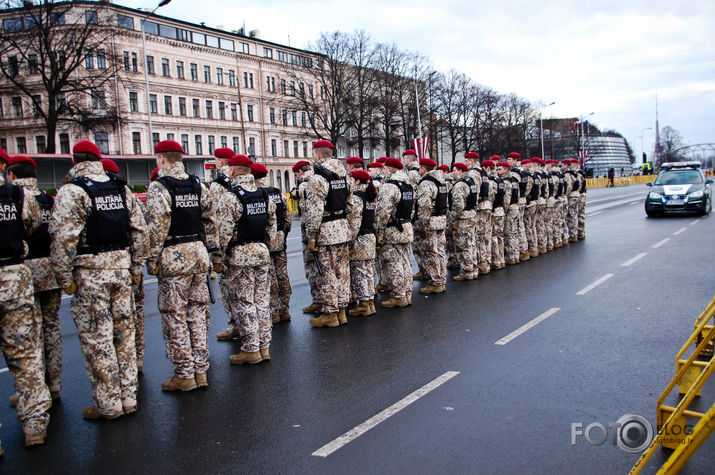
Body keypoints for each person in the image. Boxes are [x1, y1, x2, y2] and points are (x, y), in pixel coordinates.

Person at [50, 140, 147, 418]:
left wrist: (63, 276)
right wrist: (135, 268)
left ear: (74, 161)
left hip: (91, 272)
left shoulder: (73, 191)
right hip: (121, 269)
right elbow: (139, 231)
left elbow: (62, 238)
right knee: (124, 335)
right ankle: (129, 397)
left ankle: (109, 403)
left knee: (98, 337)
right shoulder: (120, 189)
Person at [145, 140, 218, 391]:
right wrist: (211, 253)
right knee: (197, 313)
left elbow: (157, 227)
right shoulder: (197, 184)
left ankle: (184, 374)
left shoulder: (159, 186)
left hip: (174, 256)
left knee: (175, 317)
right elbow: (210, 220)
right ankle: (201, 370)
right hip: (198, 254)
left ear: (162, 159)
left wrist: (151, 260)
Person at [1, 158, 51, 446]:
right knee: (25, 353)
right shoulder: (18, 196)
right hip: (14, 276)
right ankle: (34, 425)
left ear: (11, 172)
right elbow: (33, 224)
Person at [6, 156, 62, 402]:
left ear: (11, 175)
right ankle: (55, 383)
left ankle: (32, 389)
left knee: (28, 334)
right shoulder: (46, 198)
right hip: (49, 268)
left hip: (23, 272)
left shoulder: (14, 197)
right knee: (51, 326)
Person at [215, 155, 276, 364]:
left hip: (240, 255)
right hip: (261, 251)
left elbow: (223, 232)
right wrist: (265, 245)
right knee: (262, 301)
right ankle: (264, 346)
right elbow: (271, 225)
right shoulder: (263, 194)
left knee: (244, 302)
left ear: (232, 171)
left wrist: (219, 257)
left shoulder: (230, 197)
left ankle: (250, 349)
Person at [303, 140, 352, 327]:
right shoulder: (344, 175)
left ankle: (330, 313)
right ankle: (341, 311)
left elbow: (314, 211)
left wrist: (311, 236)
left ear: (317, 155)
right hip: (342, 226)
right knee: (342, 272)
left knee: (327, 272)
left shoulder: (318, 178)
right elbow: (349, 201)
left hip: (326, 229)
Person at [251, 163, 292, 324]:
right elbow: (287, 217)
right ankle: (285, 309)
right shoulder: (277, 193)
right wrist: (283, 234)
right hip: (280, 238)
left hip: (265, 240)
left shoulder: (258, 194)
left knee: (270, 278)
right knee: (283, 275)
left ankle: (274, 312)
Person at [211, 147, 242, 341]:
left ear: (222, 163)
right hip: (249, 240)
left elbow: (215, 218)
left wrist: (217, 253)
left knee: (229, 288)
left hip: (229, 243)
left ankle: (234, 326)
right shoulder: (246, 179)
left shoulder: (218, 185)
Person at [375, 157, 414, 308]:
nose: (383, 171)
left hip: (392, 229)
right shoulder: (408, 184)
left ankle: (398, 295)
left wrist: (379, 233)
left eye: (385, 168)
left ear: (390, 169)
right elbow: (412, 207)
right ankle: (407, 293)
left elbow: (383, 212)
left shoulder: (389, 186)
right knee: (406, 263)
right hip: (405, 226)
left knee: (394, 264)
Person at [293, 160, 323, 315]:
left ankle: (318, 300)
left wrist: (310, 235)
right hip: (326, 231)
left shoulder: (305, 185)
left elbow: (307, 212)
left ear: (299, 172)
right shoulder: (322, 178)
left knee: (313, 268)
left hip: (311, 232)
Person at [346, 169, 378, 316]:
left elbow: (354, 222)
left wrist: (349, 240)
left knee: (359, 273)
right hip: (371, 236)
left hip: (360, 239)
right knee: (369, 272)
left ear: (357, 181)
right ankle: (370, 302)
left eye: (352, 179)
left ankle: (364, 304)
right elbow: (376, 219)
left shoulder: (356, 198)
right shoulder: (371, 196)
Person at [414, 158, 448, 294]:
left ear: (423, 169)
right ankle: (441, 278)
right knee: (439, 251)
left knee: (431, 252)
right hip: (440, 219)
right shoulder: (441, 181)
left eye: (420, 168)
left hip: (430, 222)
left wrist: (422, 225)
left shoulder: (426, 182)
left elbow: (424, 206)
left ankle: (436, 282)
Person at [447, 162, 478, 280]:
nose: (453, 172)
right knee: (471, 244)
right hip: (470, 216)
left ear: (460, 171)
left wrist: (452, 218)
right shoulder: (471, 182)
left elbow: (458, 205)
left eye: (454, 170)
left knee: (463, 245)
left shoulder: (460, 185)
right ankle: (473, 268)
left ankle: (467, 271)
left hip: (462, 218)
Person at [486, 159, 508, 270]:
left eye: (500, 169)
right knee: (500, 236)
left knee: (494, 236)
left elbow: (490, 197)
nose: (499, 171)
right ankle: (502, 259)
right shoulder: (500, 181)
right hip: (500, 210)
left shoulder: (491, 181)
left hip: (494, 211)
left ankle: (496, 261)